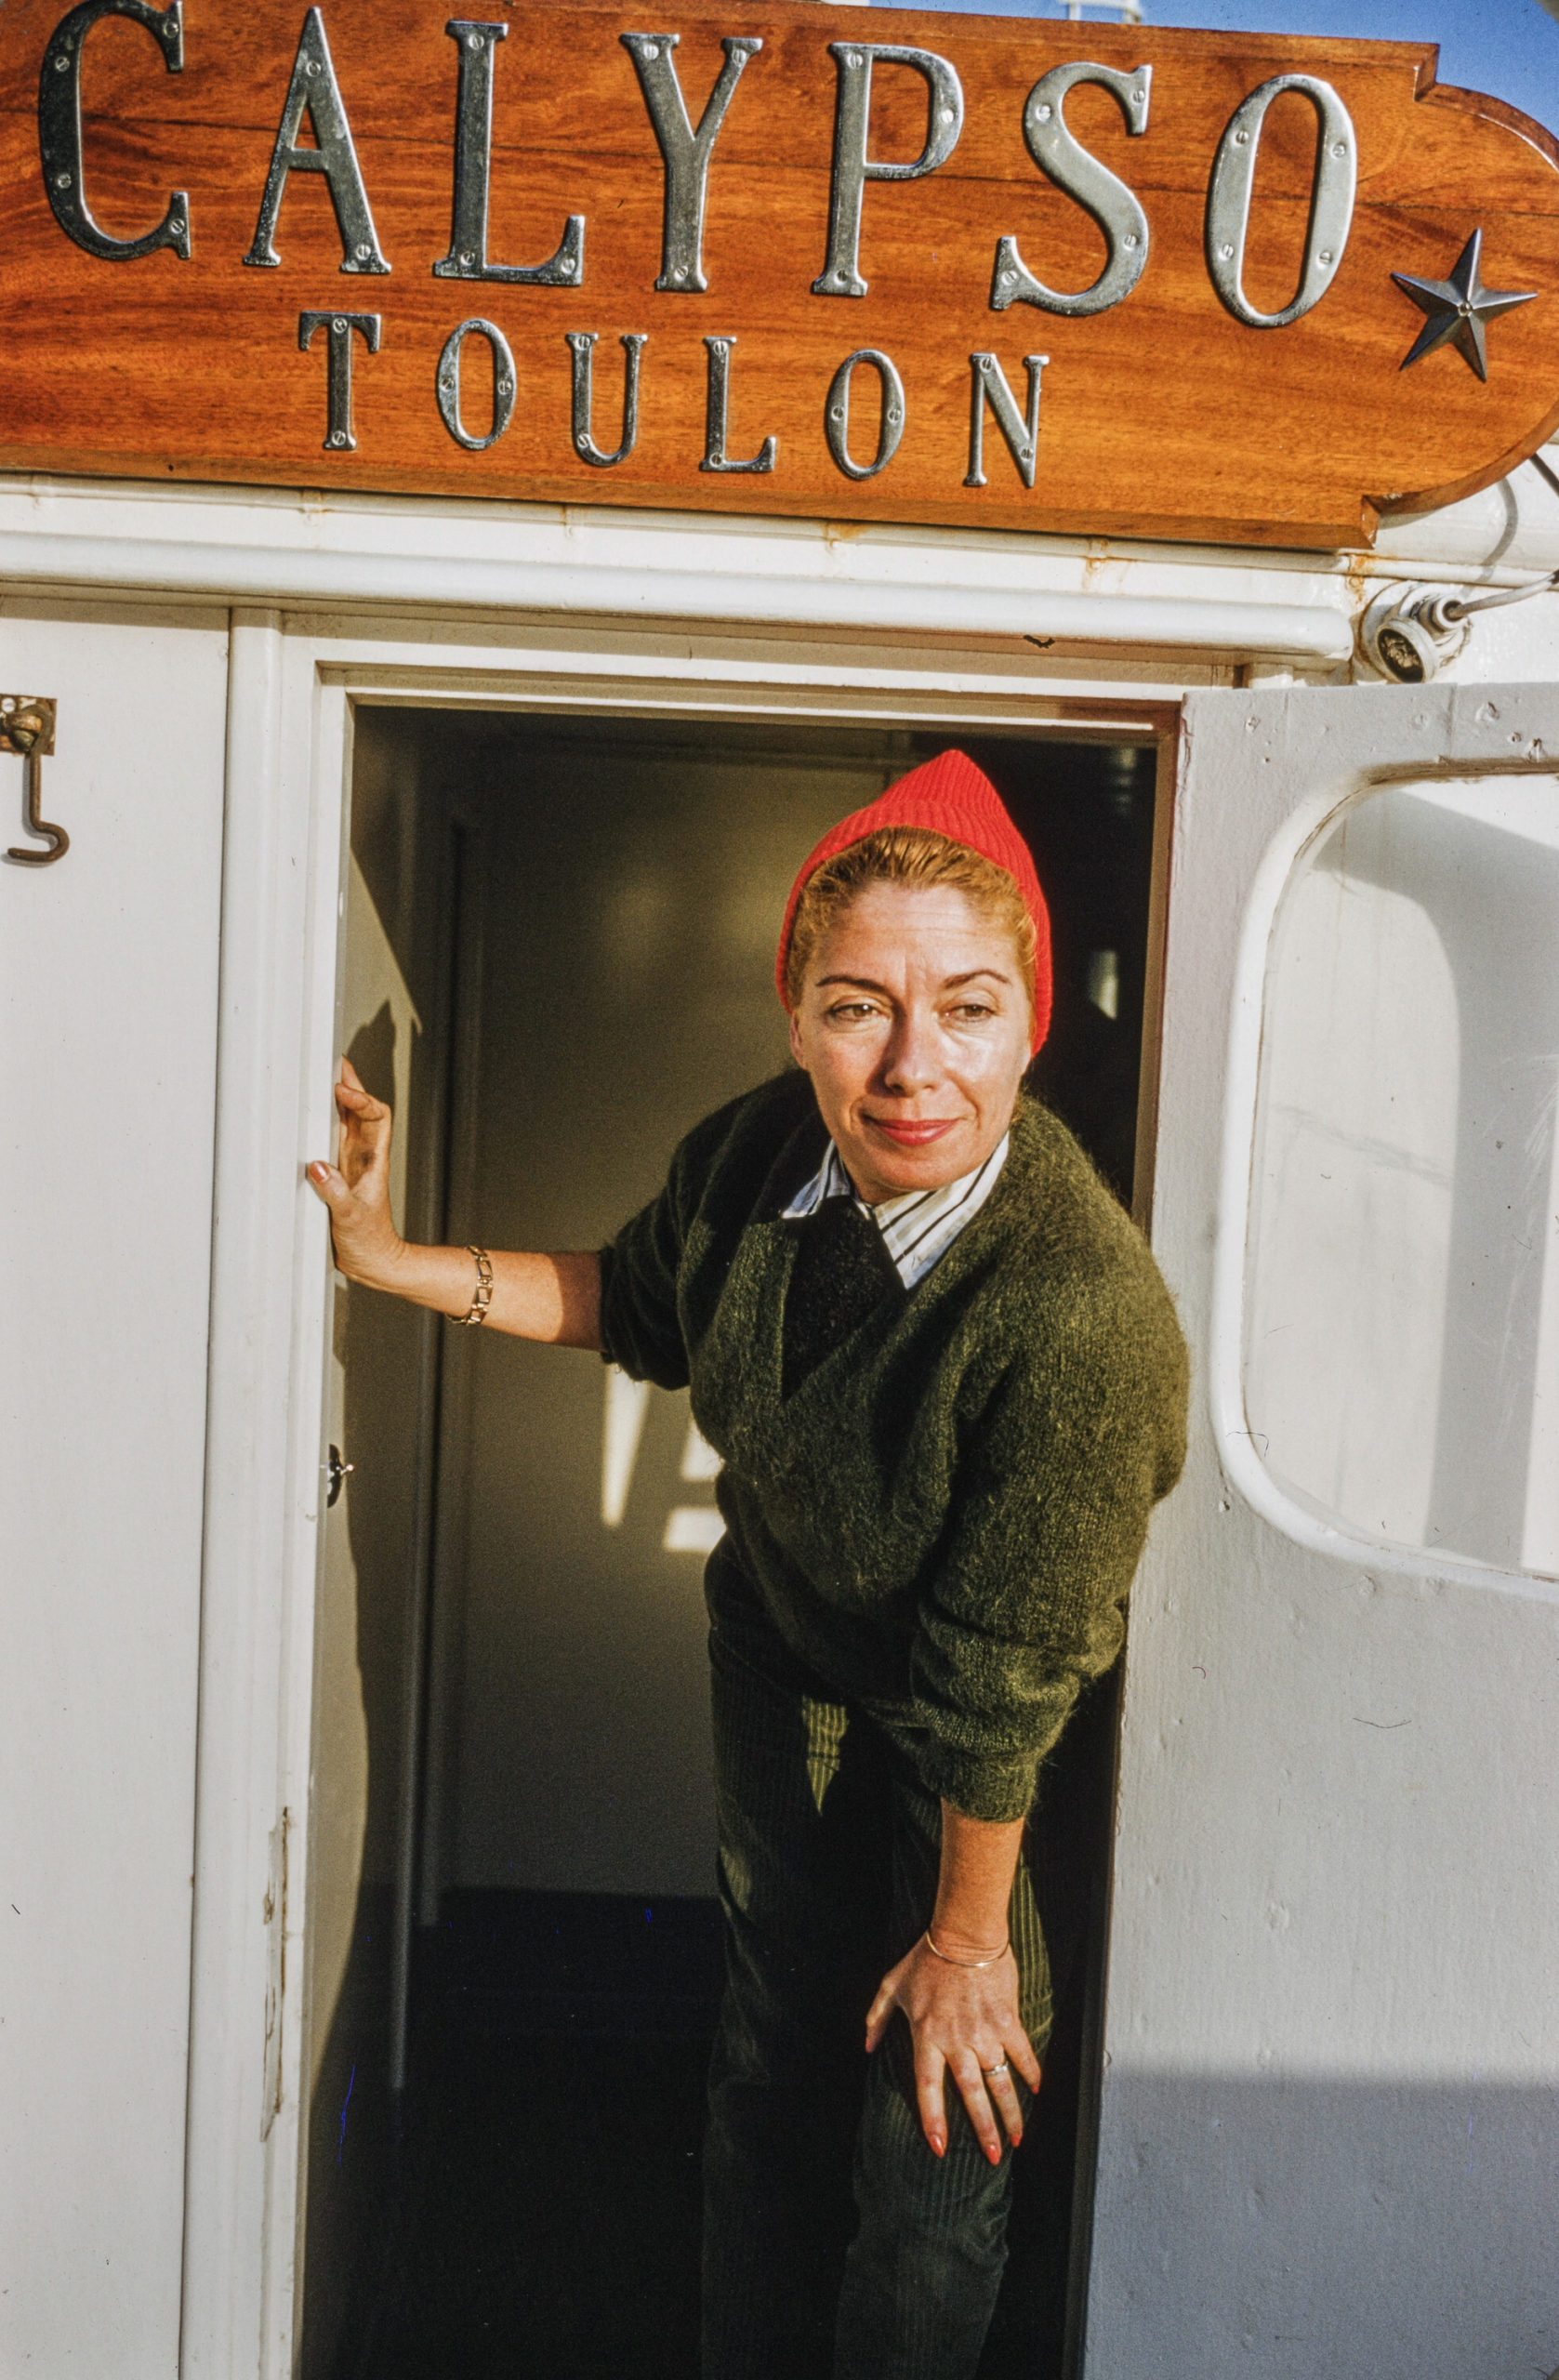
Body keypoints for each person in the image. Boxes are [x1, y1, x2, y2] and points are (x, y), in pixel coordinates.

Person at [308, 748, 1188, 2380]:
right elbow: (641, 1302)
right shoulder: (750, 1156)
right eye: (859, 1006)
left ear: (1031, 1024)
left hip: (971, 1743)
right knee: (772, 2050)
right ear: (794, 1015)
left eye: (969, 1009)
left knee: (940, 2114)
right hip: (779, 1666)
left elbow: (996, 1692)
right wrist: (379, 1257)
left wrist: (967, 1945)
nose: (914, 1065)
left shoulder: (1079, 1318)